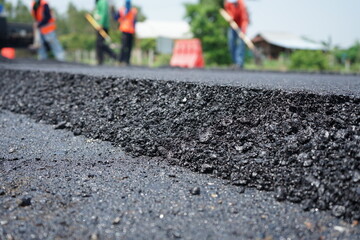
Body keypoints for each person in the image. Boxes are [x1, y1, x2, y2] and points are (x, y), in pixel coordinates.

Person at [224, 0, 249, 69]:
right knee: (231, 43)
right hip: (233, 25)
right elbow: (228, 11)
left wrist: (243, 31)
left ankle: (239, 63)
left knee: (240, 44)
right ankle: (235, 62)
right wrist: (231, 16)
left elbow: (244, 19)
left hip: (241, 26)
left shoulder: (242, 4)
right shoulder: (228, 3)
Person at [113, 0, 137, 65]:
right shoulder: (122, 10)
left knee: (129, 46)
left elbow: (134, 21)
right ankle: (120, 60)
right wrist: (113, 11)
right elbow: (116, 17)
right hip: (124, 30)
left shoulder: (133, 10)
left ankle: (127, 61)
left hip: (131, 31)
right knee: (124, 46)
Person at [94, 0, 117, 65]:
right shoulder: (98, 2)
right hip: (98, 25)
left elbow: (104, 13)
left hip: (103, 26)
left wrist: (101, 24)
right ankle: (99, 60)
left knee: (100, 43)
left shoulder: (103, 2)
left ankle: (113, 55)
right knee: (98, 43)